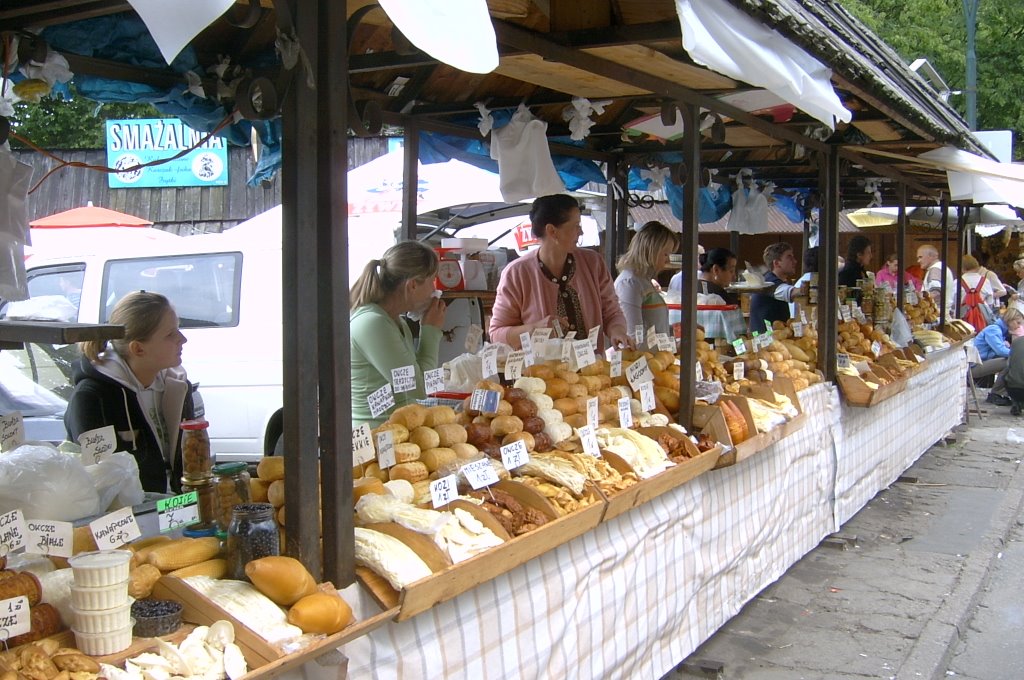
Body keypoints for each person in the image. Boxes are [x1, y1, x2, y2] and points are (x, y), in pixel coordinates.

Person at [64, 291, 195, 493]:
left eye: (178, 329)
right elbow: (97, 482)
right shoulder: (91, 397)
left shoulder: (178, 386)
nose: (183, 339)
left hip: (179, 511)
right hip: (129, 519)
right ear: (138, 349)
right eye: (170, 334)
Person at [490, 194, 630, 350]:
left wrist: (617, 331)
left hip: (593, 370)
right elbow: (497, 334)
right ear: (552, 231)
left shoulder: (593, 263)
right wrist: (534, 329)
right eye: (576, 226)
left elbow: (612, 313)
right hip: (543, 373)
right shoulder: (517, 273)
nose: (581, 232)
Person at [350, 241, 447, 428]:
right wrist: (431, 330)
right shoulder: (374, 323)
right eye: (432, 281)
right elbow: (420, 387)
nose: (434, 290)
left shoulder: (396, 321)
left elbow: (412, 384)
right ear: (412, 285)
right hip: (373, 439)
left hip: (397, 432)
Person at [614, 221, 678, 335]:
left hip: (658, 353)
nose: (668, 261)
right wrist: (672, 345)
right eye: (665, 254)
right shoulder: (629, 283)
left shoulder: (643, 281)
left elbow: (654, 327)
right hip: (643, 353)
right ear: (651, 251)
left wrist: (676, 330)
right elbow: (634, 336)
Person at [972, 307, 1024, 407]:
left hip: (981, 362)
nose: (1019, 326)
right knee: (1009, 362)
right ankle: (996, 393)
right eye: (1018, 323)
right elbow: (1000, 351)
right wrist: (1018, 354)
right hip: (974, 366)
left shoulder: (999, 330)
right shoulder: (993, 329)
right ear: (1011, 319)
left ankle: (1001, 392)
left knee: (1010, 361)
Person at [749, 242, 804, 334]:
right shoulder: (768, 282)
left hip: (775, 339)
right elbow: (788, 292)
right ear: (777, 263)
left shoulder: (775, 280)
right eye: (789, 257)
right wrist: (807, 289)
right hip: (764, 341)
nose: (795, 261)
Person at [916, 244, 957, 318]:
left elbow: (936, 292)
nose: (918, 261)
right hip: (943, 313)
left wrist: (919, 298)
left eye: (920, 257)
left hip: (938, 315)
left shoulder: (935, 269)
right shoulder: (941, 267)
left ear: (931, 256)